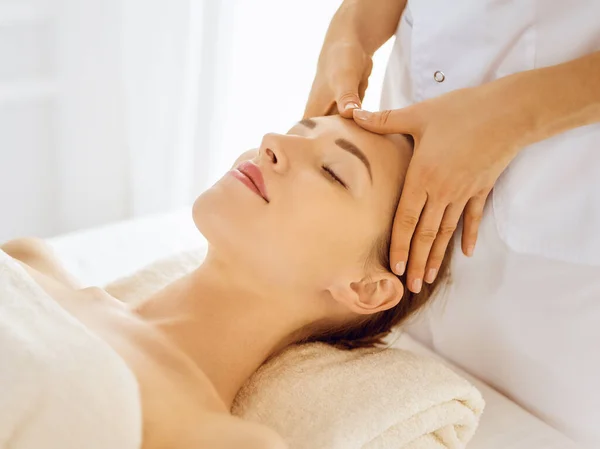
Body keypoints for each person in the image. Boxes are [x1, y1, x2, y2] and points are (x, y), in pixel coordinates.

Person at [1, 116, 451, 449]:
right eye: (298, 129)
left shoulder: (213, 438)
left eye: (333, 171)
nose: (272, 142)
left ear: (366, 288)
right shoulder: (31, 262)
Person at [305, 1, 600, 447]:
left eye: (335, 174)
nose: (269, 142)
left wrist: (519, 111)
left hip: (563, 260)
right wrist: (353, 24)